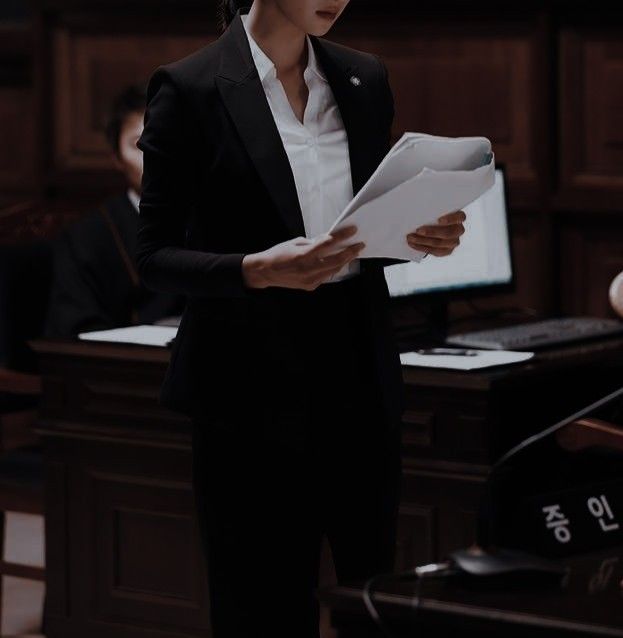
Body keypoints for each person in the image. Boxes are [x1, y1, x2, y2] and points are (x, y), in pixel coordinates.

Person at [136, 1, 466, 636]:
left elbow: (356, 236)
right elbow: (153, 257)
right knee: (261, 609)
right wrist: (254, 269)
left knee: (373, 604)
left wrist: (414, 235)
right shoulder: (190, 86)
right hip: (246, 392)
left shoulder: (364, 77)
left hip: (359, 381)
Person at [44, 85, 185, 337]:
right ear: (117, 158)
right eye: (139, 145)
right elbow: (72, 332)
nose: (156, 155)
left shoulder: (215, 219)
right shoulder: (85, 238)